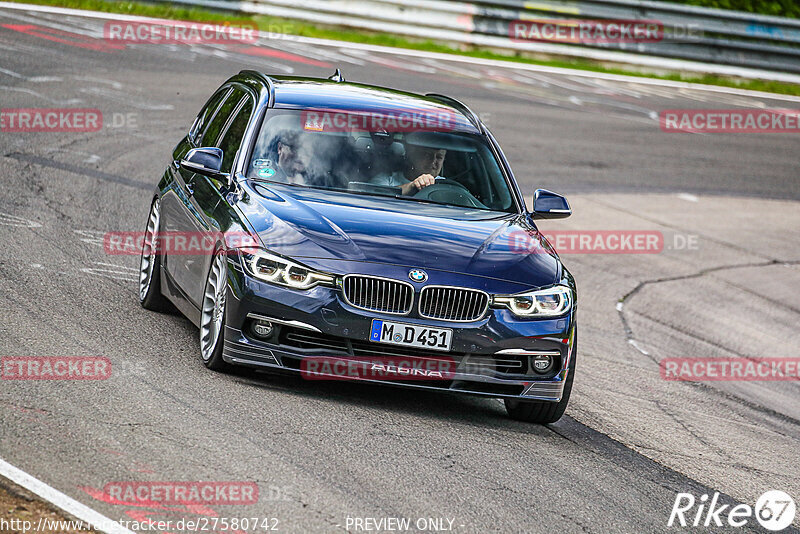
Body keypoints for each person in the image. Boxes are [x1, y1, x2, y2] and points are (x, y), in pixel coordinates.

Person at [371, 144, 446, 196]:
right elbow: (373, 198)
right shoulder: (386, 179)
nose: (433, 161)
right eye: (427, 155)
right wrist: (412, 186)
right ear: (412, 157)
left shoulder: (445, 185)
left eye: (439, 157)